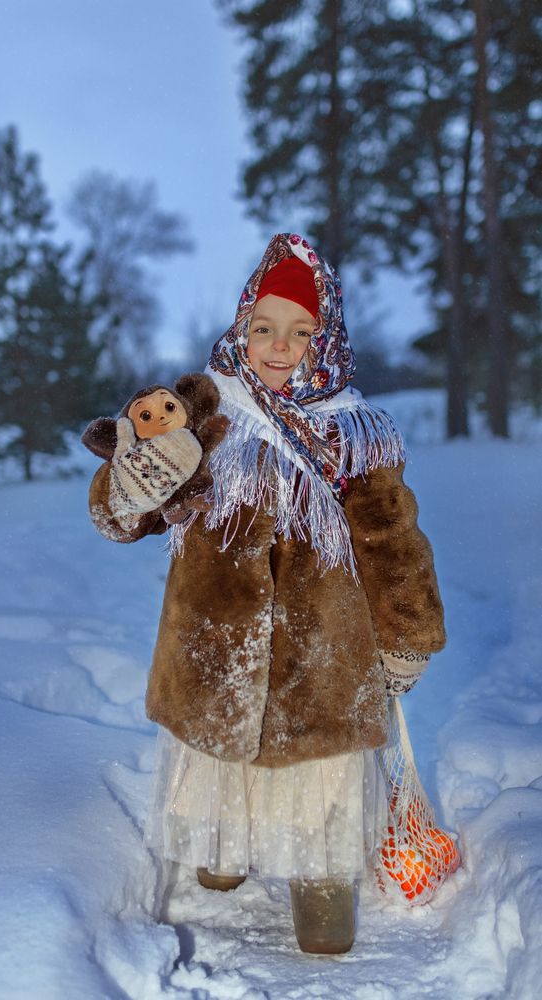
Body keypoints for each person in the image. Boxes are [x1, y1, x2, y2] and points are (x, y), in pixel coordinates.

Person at [87, 232, 445, 955]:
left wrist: (406, 634)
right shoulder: (204, 413)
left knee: (318, 789)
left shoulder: (357, 432)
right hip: (214, 646)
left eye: (300, 333)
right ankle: (220, 856)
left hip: (322, 662)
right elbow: (128, 511)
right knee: (218, 765)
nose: (278, 348)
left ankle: (320, 892)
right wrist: (127, 492)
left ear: (328, 339)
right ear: (240, 326)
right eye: (262, 329)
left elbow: (390, 542)